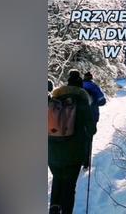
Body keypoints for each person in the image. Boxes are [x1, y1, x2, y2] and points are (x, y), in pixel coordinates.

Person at [48, 70, 95, 214]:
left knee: (57, 180)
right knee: (69, 186)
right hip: (74, 153)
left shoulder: (54, 100)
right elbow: (92, 129)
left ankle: (54, 210)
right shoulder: (82, 101)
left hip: (52, 151)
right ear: (80, 86)